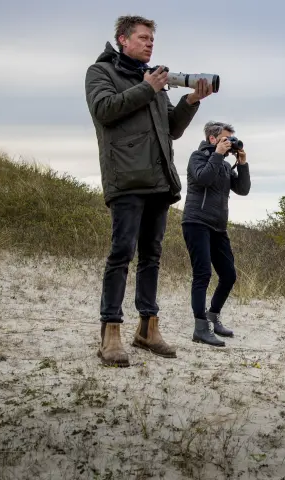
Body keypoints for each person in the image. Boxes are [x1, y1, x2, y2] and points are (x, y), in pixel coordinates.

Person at [85, 15, 215, 367]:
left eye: (152, 40)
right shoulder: (100, 73)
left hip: (159, 179)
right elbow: (104, 110)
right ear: (123, 39)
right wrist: (148, 88)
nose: (149, 44)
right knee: (121, 254)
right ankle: (110, 331)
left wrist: (190, 101)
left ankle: (147, 328)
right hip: (126, 180)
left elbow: (171, 129)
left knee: (152, 257)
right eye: (143, 38)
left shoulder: (154, 80)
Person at [182, 121, 251, 347]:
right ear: (213, 139)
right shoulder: (198, 157)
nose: (230, 142)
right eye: (226, 138)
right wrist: (218, 155)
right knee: (202, 274)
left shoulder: (223, 164)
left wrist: (242, 164)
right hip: (196, 222)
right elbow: (202, 178)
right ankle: (200, 328)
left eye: (232, 139)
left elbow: (243, 189)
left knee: (229, 275)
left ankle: (213, 316)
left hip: (218, 227)